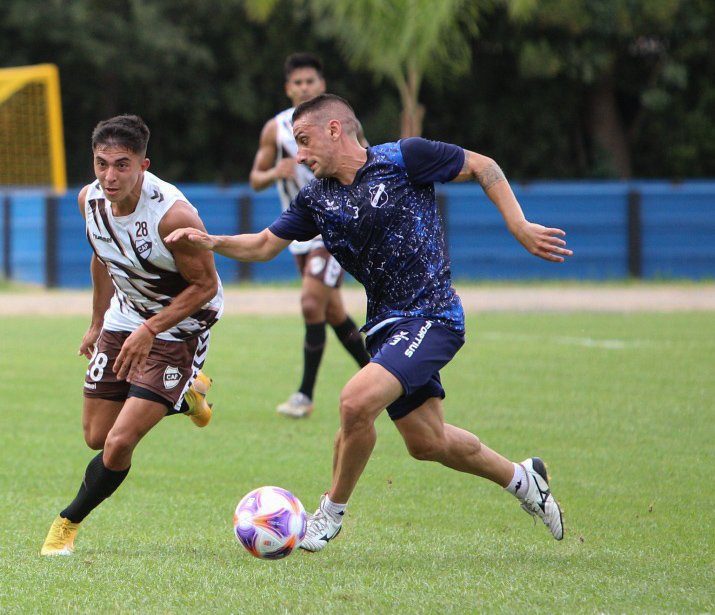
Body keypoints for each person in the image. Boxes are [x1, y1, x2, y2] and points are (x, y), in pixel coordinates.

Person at [167, 94, 570, 551]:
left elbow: (482, 165)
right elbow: (262, 245)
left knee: (355, 402)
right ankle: (524, 480)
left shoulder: (404, 158)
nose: (299, 155)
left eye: (304, 141)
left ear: (335, 129)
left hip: (432, 315)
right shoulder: (315, 199)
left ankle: (330, 514)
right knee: (427, 441)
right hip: (383, 327)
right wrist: (209, 240)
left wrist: (518, 225)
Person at [41, 115, 223, 556]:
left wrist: (150, 330)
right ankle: (185, 395)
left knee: (121, 442)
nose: (109, 175)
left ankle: (66, 524)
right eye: (102, 163)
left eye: (122, 165)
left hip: (182, 324)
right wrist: (97, 321)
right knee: (96, 436)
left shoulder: (172, 216)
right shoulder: (90, 200)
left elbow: (206, 287)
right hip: (126, 316)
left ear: (144, 165)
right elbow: (103, 258)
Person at [249, 53, 370, 419]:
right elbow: (255, 179)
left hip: (335, 226)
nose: (304, 87)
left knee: (309, 303)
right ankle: (382, 375)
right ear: (288, 89)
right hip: (299, 232)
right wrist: (275, 172)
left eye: (310, 81)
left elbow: (366, 161)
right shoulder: (276, 129)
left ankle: (304, 395)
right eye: (297, 83)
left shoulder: (341, 123)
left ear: (322, 85)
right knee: (332, 311)